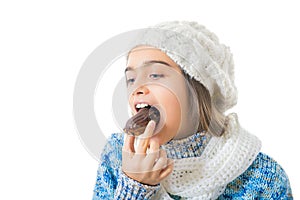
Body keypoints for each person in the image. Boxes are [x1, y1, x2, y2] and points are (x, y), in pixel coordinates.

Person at [92, 21, 293, 199]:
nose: (137, 89)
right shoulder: (116, 157)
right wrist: (134, 187)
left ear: (197, 89)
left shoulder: (263, 177)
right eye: (131, 79)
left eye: (154, 75)